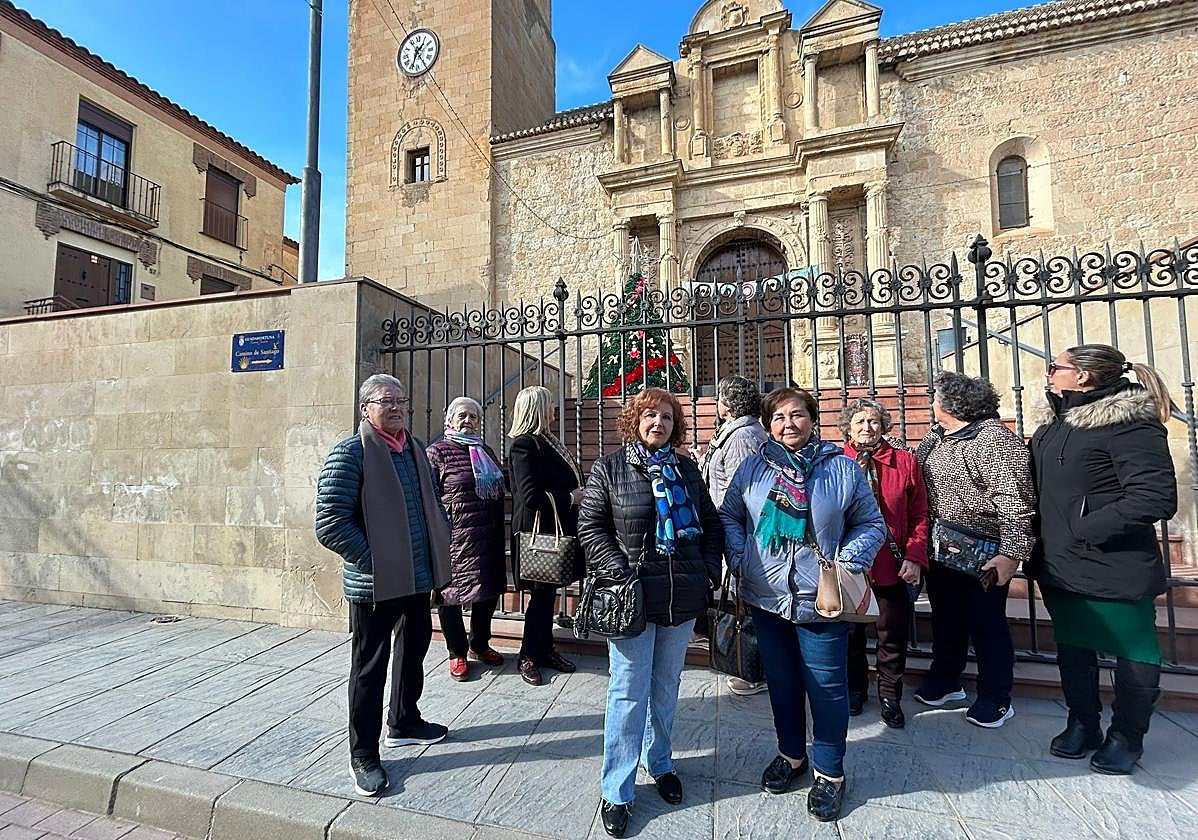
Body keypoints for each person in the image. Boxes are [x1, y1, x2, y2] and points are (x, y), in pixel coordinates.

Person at [720, 387, 885, 822]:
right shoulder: (753, 468)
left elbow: (871, 523)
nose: (788, 424)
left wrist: (846, 561)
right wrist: (740, 556)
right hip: (767, 597)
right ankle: (791, 754)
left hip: (821, 598)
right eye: (778, 418)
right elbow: (730, 515)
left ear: (812, 420)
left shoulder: (841, 468)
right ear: (768, 425)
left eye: (796, 415)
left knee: (827, 688)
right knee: (782, 683)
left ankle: (829, 772)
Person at [578, 387, 724, 838]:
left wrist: (707, 571)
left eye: (666, 417)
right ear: (634, 420)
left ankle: (659, 761)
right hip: (633, 598)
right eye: (649, 415)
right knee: (627, 691)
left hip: (681, 596)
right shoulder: (610, 467)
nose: (658, 423)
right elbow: (591, 526)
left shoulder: (686, 468)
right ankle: (617, 789)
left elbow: (710, 522)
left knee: (665, 688)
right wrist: (619, 570)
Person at [1029, 344, 1176, 774]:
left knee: (1135, 650)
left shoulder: (1129, 423)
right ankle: (1083, 723)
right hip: (1060, 563)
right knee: (1073, 645)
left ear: (1083, 376)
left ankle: (1127, 736)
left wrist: (1084, 529)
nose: (1049, 373)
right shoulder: (1055, 423)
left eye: (1055, 367)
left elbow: (1155, 496)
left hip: (1113, 562)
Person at [315, 374, 451, 797]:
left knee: (414, 650)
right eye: (385, 401)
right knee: (369, 669)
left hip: (417, 578)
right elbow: (330, 523)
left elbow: (431, 503)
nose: (395, 407)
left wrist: (439, 537)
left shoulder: (414, 449)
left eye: (400, 400)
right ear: (365, 409)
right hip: (375, 584)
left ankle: (404, 721)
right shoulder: (350, 453)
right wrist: (379, 561)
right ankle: (363, 754)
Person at [914, 371, 1035, 729]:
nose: (931, 403)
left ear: (951, 403)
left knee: (986, 623)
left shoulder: (993, 439)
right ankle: (946, 679)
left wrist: (1012, 552)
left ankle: (996, 697)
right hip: (942, 547)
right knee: (946, 617)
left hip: (984, 550)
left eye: (935, 397)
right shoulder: (937, 436)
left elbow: (1014, 498)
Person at [840, 398, 930, 729]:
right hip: (850, 566)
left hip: (891, 564)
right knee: (850, 634)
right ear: (848, 428)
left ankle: (890, 694)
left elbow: (920, 514)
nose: (867, 427)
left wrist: (915, 556)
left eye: (874, 421)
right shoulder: (836, 462)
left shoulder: (904, 462)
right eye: (860, 422)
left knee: (891, 636)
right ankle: (855, 688)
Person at [426, 396, 508, 682]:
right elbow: (429, 498)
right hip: (455, 539)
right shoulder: (437, 453)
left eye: (473, 417)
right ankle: (457, 651)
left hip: (487, 535)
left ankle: (480, 644)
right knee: (451, 596)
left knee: (488, 591)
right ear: (449, 420)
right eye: (462, 415)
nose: (468, 421)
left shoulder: (485, 451)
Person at [699, 375, 769, 697]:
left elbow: (745, 489)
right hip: (730, 527)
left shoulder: (742, 436)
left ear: (727, 404)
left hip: (740, 529)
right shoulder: (734, 432)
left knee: (748, 601)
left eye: (719, 398)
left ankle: (754, 670)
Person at [508, 385, 583, 686]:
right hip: (538, 534)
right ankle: (527, 655)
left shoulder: (547, 441)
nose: (554, 410)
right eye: (550, 404)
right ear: (537, 409)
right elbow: (530, 496)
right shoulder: (524, 445)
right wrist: (571, 498)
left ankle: (544, 648)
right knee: (539, 598)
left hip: (553, 529)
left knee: (546, 596)